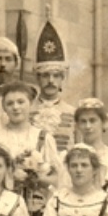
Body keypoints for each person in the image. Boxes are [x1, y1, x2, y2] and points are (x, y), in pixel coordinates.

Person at [0, 81, 60, 216]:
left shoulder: (43, 138)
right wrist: (10, 175)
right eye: (10, 103)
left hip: (34, 207)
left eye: (21, 102)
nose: (16, 107)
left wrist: (33, 176)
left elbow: (56, 178)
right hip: (1, 207)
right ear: (4, 108)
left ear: (30, 104)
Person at [29, 19, 77, 154]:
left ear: (62, 78)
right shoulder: (27, 111)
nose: (51, 80)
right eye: (45, 75)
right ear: (37, 78)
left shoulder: (72, 113)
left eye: (56, 75)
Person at [70, 98, 108, 196]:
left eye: (93, 121)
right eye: (83, 121)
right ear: (78, 126)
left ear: (104, 123)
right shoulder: (70, 156)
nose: (88, 126)